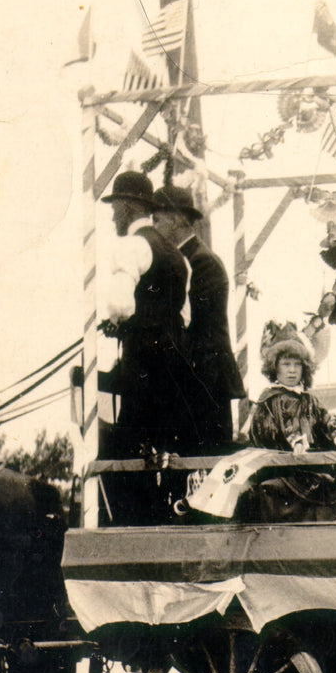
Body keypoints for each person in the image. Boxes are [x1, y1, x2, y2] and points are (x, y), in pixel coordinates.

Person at [98, 170, 195, 524]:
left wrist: (116, 322)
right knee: (162, 445)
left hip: (143, 361)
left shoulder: (132, 245)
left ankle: (131, 524)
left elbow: (121, 304)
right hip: (174, 360)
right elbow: (184, 314)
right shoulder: (177, 256)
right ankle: (160, 514)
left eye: (115, 207)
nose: (112, 216)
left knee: (126, 446)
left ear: (127, 207)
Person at [152, 185, 246, 454]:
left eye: (156, 219)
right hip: (194, 380)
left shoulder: (202, 262)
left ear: (177, 219)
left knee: (207, 464)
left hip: (206, 383)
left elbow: (196, 328)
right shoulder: (186, 259)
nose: (153, 227)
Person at [240, 321, 336, 523]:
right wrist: (296, 441)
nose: (292, 371)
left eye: (297, 364)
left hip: (309, 463)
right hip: (284, 465)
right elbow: (274, 430)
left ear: (305, 368)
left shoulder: (309, 399)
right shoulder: (269, 400)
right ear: (275, 368)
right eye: (286, 364)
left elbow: (326, 420)